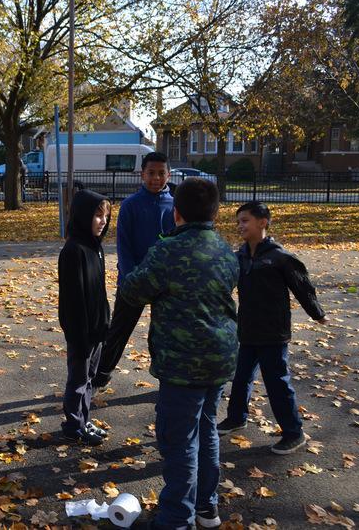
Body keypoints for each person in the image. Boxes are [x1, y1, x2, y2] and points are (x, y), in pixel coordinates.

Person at [119, 178, 239, 530]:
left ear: (176, 213)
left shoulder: (168, 249)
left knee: (179, 439)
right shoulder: (224, 248)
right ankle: (206, 508)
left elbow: (133, 291)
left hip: (184, 362)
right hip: (220, 356)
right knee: (206, 429)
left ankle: (176, 518)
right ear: (216, 212)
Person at [217, 201, 326, 455]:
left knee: (277, 383)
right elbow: (224, 285)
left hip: (273, 333)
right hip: (247, 330)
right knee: (241, 377)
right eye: (238, 221)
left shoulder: (280, 257)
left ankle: (294, 433)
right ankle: (236, 418)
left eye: (245, 220)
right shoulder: (240, 257)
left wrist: (317, 314)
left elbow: (302, 287)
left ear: (262, 222)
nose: (240, 226)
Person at [92, 151, 175, 389]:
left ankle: (168, 380)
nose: (156, 178)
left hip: (165, 283)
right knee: (119, 330)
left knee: (164, 334)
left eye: (161, 173)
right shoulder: (130, 205)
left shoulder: (175, 206)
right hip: (133, 280)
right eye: (151, 173)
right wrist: (130, 278)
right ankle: (101, 375)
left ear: (169, 175)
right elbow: (124, 246)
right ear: (142, 174)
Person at [58, 190, 112, 446]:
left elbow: (98, 291)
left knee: (90, 379)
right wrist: (79, 336)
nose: (103, 221)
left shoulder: (95, 247)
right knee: (78, 380)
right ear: (83, 216)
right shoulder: (73, 251)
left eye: (106, 216)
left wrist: (105, 321)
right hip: (81, 332)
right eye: (97, 215)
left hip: (97, 329)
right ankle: (73, 425)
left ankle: (84, 419)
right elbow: (72, 300)